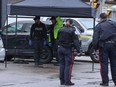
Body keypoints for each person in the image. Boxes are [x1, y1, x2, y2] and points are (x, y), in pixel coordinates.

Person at [92, 13, 116, 86]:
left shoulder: (99, 26)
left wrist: (95, 48)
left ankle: (105, 82)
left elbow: (95, 38)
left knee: (104, 64)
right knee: (114, 64)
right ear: (107, 17)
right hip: (113, 45)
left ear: (100, 18)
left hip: (104, 46)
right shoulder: (113, 24)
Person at [57, 19, 80, 86]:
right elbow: (76, 41)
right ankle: (67, 81)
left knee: (62, 65)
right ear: (71, 24)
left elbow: (57, 39)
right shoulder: (72, 31)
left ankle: (62, 81)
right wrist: (78, 50)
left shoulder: (60, 30)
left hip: (60, 48)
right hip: (68, 49)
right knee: (68, 66)